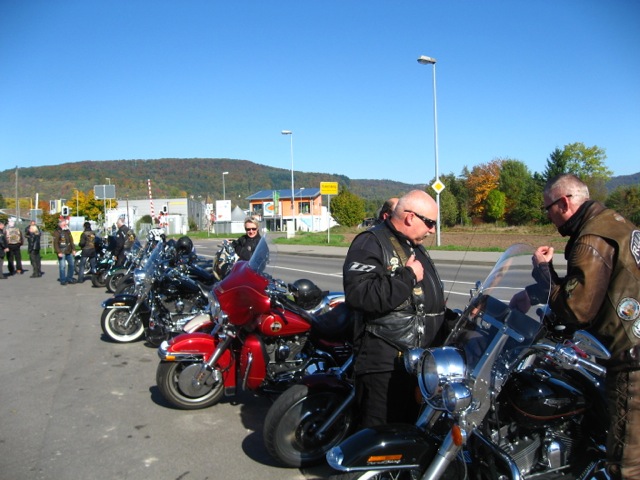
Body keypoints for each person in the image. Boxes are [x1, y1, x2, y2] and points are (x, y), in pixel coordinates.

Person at [512, 173, 640, 480]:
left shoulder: (591, 238)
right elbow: (603, 286)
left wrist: (542, 270)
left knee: (627, 464)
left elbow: (576, 309)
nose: (549, 217)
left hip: (631, 361)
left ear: (564, 203)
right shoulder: (619, 224)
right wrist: (534, 294)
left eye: (548, 209)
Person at [343, 189, 448, 428]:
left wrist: (451, 317)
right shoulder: (371, 242)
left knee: (409, 431)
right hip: (385, 364)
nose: (432, 230)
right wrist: (408, 276)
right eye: (430, 223)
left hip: (415, 362)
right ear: (410, 217)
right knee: (381, 432)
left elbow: (420, 304)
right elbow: (360, 295)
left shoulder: (413, 245)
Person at [52, 218, 76, 285]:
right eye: (64, 224)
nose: (66, 225)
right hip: (61, 251)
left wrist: (73, 249)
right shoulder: (57, 232)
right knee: (62, 266)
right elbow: (55, 243)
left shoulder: (67, 231)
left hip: (69, 251)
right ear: (61, 224)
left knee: (72, 265)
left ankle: (69, 278)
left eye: (66, 224)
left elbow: (71, 241)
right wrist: (58, 252)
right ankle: (63, 280)